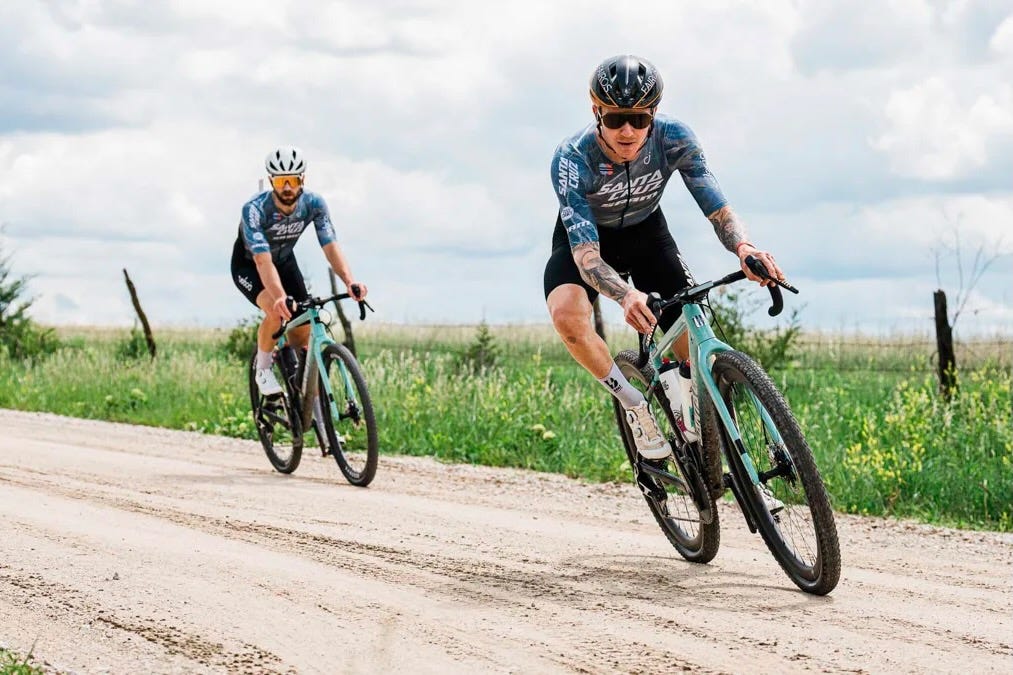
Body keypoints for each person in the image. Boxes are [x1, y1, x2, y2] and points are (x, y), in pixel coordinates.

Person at [545, 55, 784, 462]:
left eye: (639, 120)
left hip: (647, 236)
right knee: (567, 316)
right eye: (616, 117)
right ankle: (634, 403)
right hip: (590, 240)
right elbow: (586, 257)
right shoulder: (572, 157)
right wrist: (625, 296)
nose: (627, 130)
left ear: (653, 114)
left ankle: (711, 436)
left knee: (692, 339)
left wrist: (745, 248)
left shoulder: (674, 137)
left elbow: (717, 208)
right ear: (596, 111)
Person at [231, 146, 368, 396]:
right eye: (281, 181)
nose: (287, 188)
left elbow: (330, 245)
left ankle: (319, 420)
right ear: (272, 181)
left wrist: (349, 281)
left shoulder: (313, 204)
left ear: (302, 179)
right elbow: (262, 261)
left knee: (304, 335)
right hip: (249, 266)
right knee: (276, 310)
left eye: (292, 181)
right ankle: (263, 370)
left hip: (284, 262)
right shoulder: (255, 209)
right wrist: (280, 296)